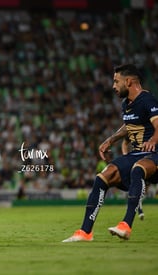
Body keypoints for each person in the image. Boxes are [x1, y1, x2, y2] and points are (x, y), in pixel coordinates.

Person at [63, 64, 158, 242]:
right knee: (102, 177)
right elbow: (128, 126)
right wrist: (111, 139)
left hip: (154, 152)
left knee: (138, 169)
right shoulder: (126, 104)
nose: (113, 86)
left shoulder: (147, 99)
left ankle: (126, 225)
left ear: (128, 81)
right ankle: (85, 232)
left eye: (116, 81)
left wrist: (153, 140)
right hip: (137, 153)